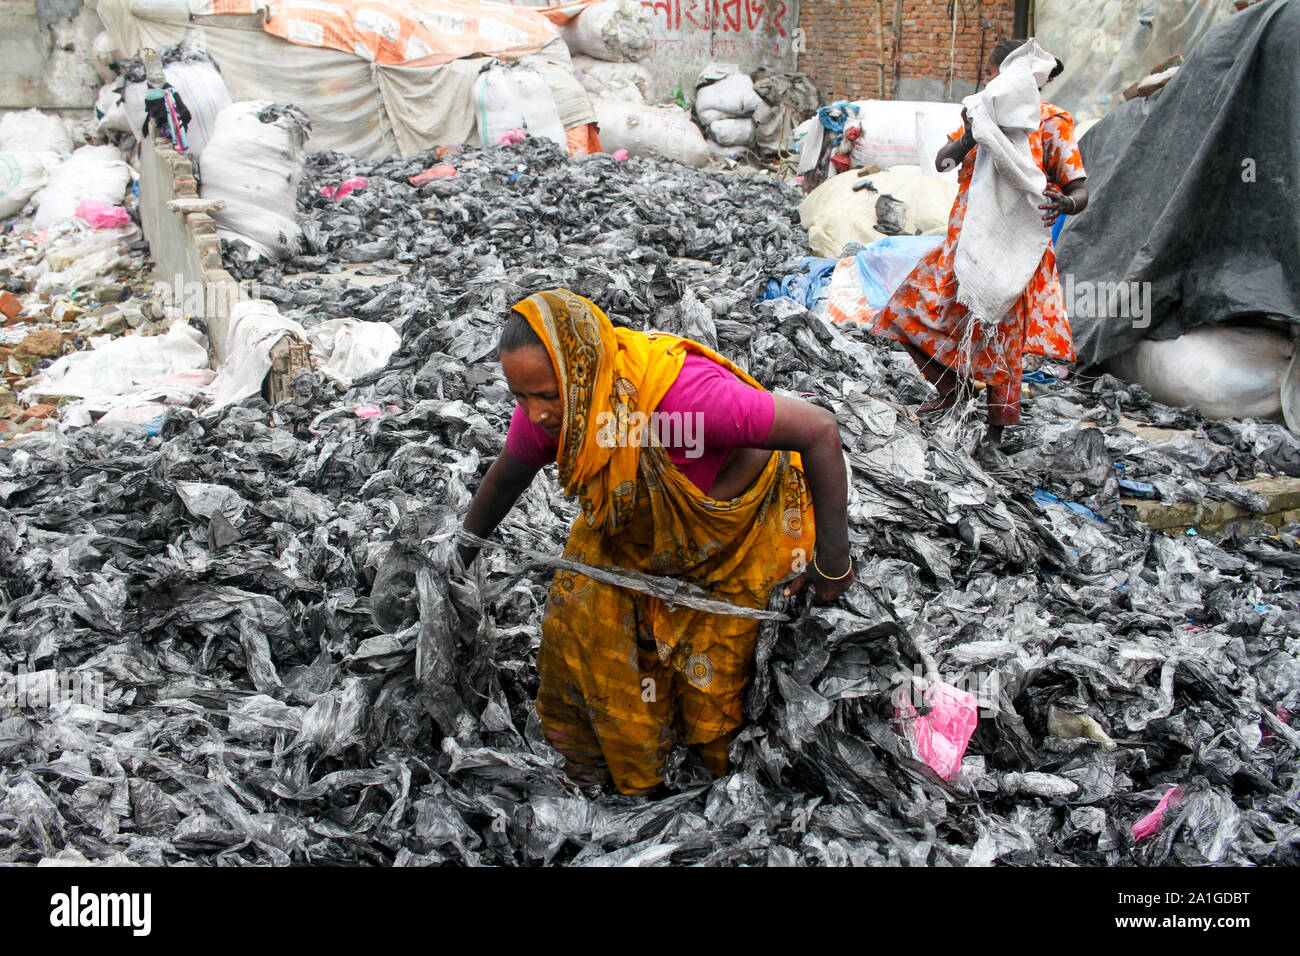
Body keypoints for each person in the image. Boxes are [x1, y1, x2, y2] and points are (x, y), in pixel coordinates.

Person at [457, 289, 854, 795]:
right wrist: (459, 556)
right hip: (635, 522)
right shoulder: (560, 414)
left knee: (713, 683)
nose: (535, 413)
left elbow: (819, 430)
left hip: (738, 534)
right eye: (521, 396)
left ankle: (717, 784)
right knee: (581, 634)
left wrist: (833, 563)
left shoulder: (686, 400)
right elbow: (506, 477)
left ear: (583, 371)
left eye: (547, 394)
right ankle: (611, 773)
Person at [870, 39, 1089, 450]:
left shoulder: (1051, 123)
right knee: (902, 314)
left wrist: (1065, 202)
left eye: (991, 74)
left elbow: (1080, 189)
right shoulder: (979, 117)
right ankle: (953, 391)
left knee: (999, 343)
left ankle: (995, 434)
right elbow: (943, 162)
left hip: (1014, 254)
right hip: (962, 248)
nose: (988, 82)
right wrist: (973, 132)